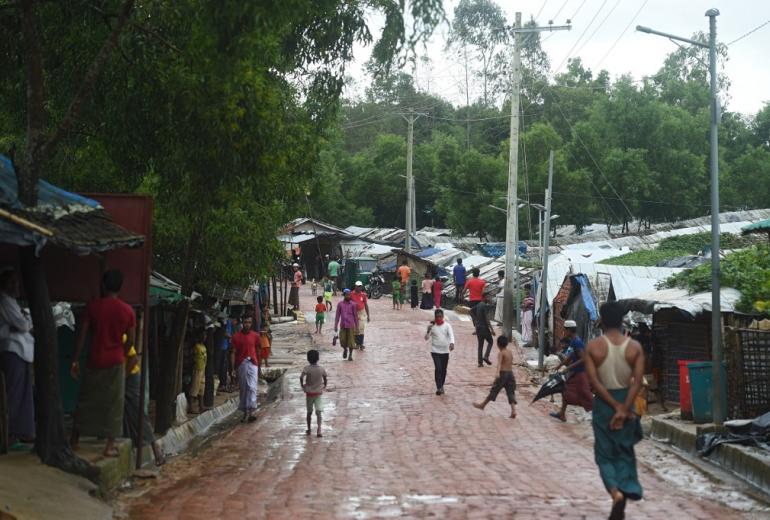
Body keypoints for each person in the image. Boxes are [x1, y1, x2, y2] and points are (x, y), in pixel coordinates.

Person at [584, 302, 646, 520]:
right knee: (625, 451)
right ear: (622, 320)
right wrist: (624, 408)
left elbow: (594, 383)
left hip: (603, 404)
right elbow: (638, 382)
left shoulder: (593, 347)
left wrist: (613, 407)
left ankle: (615, 493)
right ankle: (625, 490)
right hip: (627, 401)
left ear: (601, 319)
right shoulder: (635, 348)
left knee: (604, 454)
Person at [71, 269, 136, 457]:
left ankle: (74, 438)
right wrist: (122, 354)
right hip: (116, 360)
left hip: (94, 358)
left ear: (104, 285)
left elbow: (82, 335)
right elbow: (130, 340)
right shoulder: (127, 311)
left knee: (86, 399)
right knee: (114, 403)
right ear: (120, 287)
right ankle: (109, 446)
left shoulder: (93, 306)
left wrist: (75, 358)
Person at [0, 267, 35, 446]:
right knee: (13, 394)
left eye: (17, 281)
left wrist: (24, 321)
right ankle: (10, 433)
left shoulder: (12, 301)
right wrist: (25, 322)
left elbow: (22, 322)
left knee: (22, 393)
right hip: (12, 351)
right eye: (12, 281)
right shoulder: (5, 300)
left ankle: (21, 431)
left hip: (20, 352)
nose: (16, 285)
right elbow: (23, 324)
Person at [123, 345, 165, 466]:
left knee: (139, 414)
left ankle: (156, 451)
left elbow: (134, 359)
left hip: (130, 377)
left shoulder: (124, 338)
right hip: (123, 375)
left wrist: (123, 377)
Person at [550, 320, 594, 422]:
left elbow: (583, 358)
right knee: (566, 391)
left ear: (569, 330)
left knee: (585, 395)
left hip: (581, 373)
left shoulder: (577, 342)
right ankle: (562, 414)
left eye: (565, 330)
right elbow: (572, 356)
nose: (564, 332)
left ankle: (600, 413)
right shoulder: (574, 340)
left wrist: (568, 368)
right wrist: (560, 365)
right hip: (576, 373)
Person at [473, 336, 517, 419]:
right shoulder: (510, 352)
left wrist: (497, 374)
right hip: (510, 374)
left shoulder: (501, 353)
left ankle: (483, 405)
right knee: (511, 392)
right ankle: (513, 410)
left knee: (494, 390)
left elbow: (499, 364)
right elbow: (511, 362)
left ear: (498, 345)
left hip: (503, 374)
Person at [230, 316, 260, 422]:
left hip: (253, 363)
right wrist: (233, 368)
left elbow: (258, 350)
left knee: (252, 387)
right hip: (241, 364)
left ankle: (251, 411)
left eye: (249, 322)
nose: (247, 324)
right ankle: (245, 412)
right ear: (242, 323)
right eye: (245, 322)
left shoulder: (256, 336)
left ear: (251, 323)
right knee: (244, 388)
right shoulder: (236, 337)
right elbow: (233, 353)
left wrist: (259, 365)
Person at [424, 309, 455, 395]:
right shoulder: (432, 326)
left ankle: (441, 385)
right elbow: (426, 338)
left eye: (440, 316)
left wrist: (452, 343)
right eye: (437, 317)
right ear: (435, 317)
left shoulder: (447, 326)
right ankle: (439, 387)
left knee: (443, 369)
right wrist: (428, 330)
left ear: (443, 316)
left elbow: (451, 335)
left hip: (445, 351)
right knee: (438, 368)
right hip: (435, 351)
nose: (439, 318)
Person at [300, 349, 328, 438]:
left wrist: (303, 386)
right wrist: (324, 386)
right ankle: (319, 429)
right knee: (318, 412)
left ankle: (309, 429)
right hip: (318, 393)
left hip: (309, 393)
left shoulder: (306, 368)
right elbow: (325, 378)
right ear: (318, 358)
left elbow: (301, 377)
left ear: (308, 359)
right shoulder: (321, 369)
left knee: (309, 412)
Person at [471, 292, 495, 367]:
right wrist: (492, 329)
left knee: (480, 345)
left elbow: (470, 311)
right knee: (490, 341)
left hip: (478, 327)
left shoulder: (479, 304)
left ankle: (480, 363)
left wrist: (475, 320)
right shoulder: (484, 305)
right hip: (484, 327)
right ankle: (486, 356)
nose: (490, 298)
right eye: (488, 297)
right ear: (484, 297)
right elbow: (487, 319)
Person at [334, 289, 359, 361]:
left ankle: (350, 355)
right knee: (342, 340)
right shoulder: (340, 304)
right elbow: (337, 315)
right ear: (344, 295)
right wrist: (335, 325)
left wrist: (357, 327)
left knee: (351, 341)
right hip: (343, 325)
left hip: (351, 325)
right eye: (347, 295)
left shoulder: (353, 304)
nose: (348, 296)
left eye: (349, 295)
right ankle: (345, 349)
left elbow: (355, 316)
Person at [188, 333, 207, 414]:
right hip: (197, 369)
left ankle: (201, 406)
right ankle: (191, 407)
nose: (204, 337)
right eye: (203, 335)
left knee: (201, 388)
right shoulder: (196, 347)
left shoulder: (203, 347)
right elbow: (192, 357)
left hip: (202, 369)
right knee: (194, 388)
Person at [350, 281, 370, 349]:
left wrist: (368, 315)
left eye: (360, 286)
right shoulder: (351, 294)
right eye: (358, 286)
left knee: (361, 328)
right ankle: (357, 344)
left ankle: (361, 344)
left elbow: (366, 305)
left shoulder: (363, 295)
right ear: (355, 286)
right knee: (356, 329)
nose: (359, 287)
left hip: (362, 312)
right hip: (354, 313)